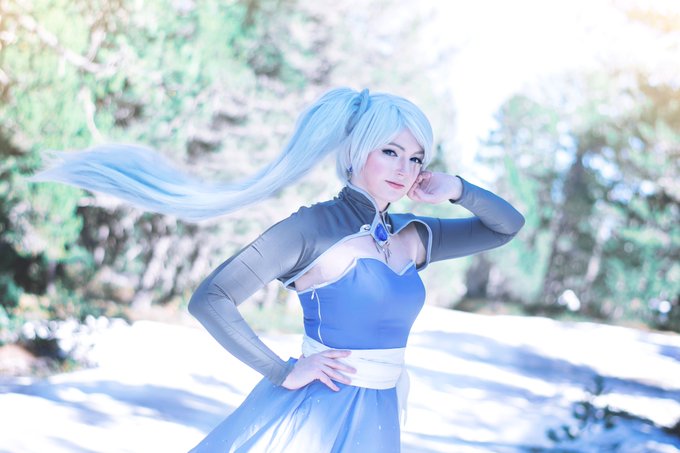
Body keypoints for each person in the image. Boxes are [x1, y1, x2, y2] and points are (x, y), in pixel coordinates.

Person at [32, 87, 525, 452]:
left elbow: (506, 227)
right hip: (313, 419)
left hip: (379, 418)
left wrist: (456, 189)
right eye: (390, 152)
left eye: (416, 158)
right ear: (357, 153)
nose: (405, 169)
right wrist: (283, 370)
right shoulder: (311, 228)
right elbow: (211, 299)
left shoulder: (412, 235)